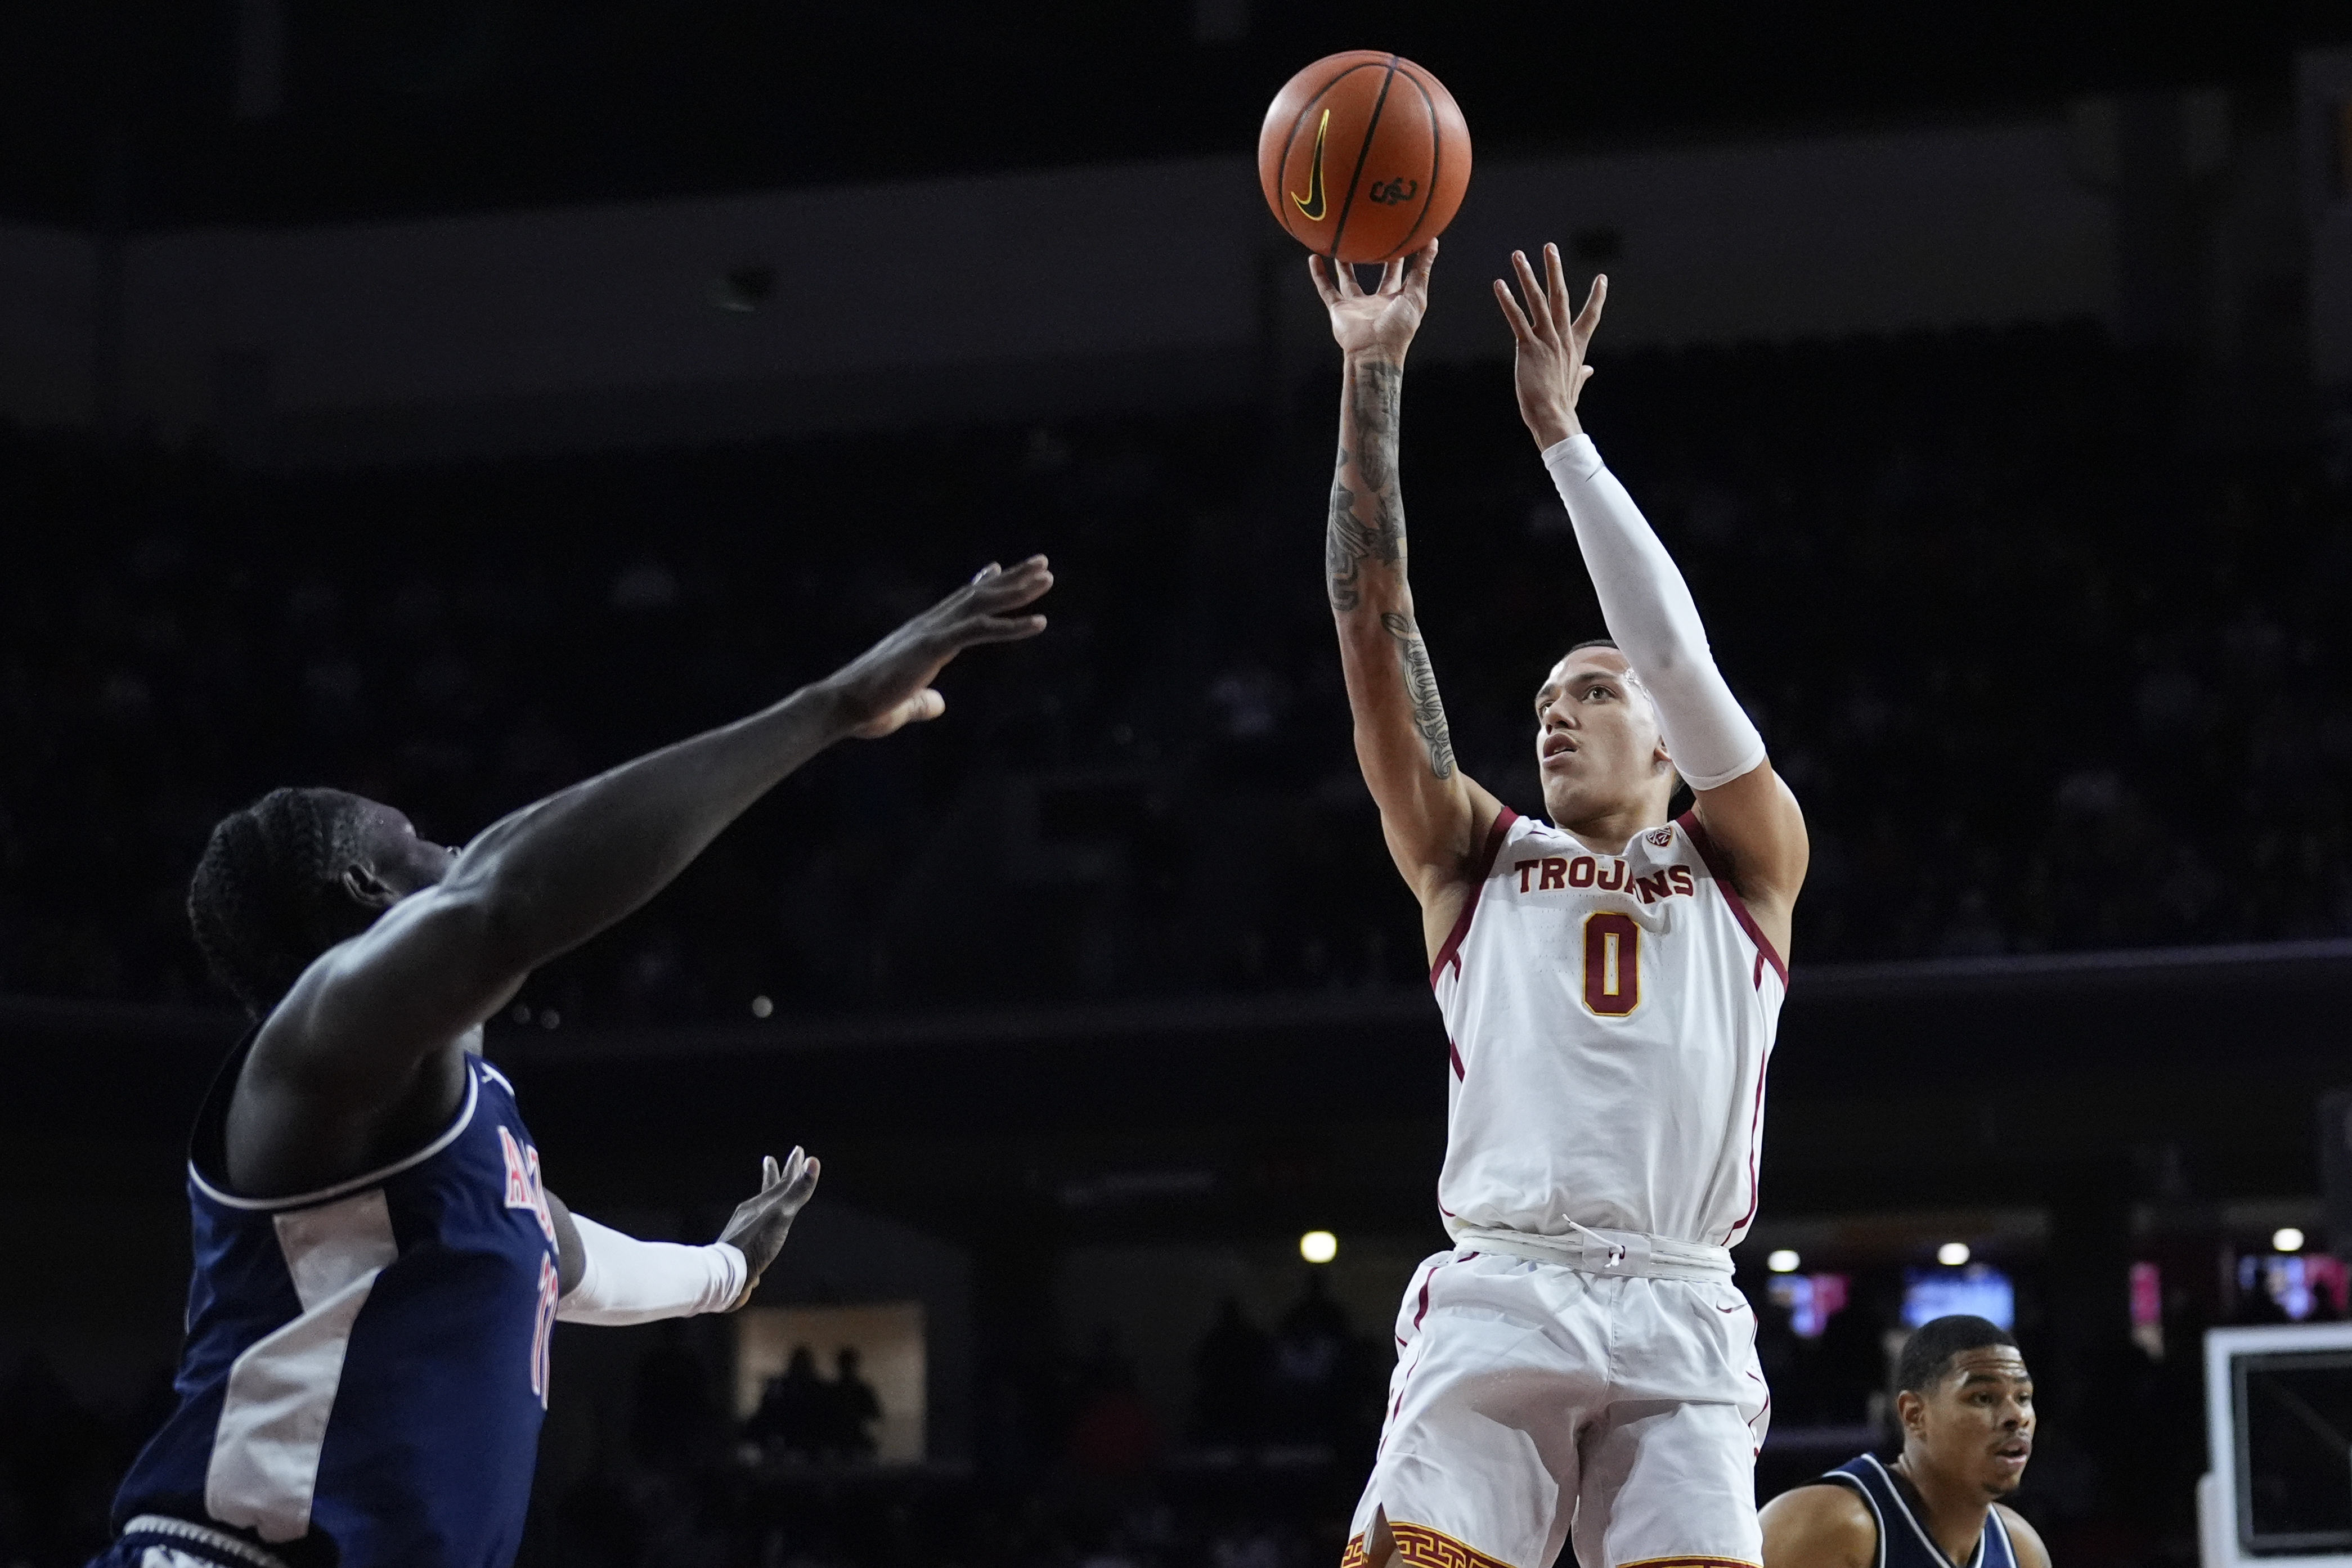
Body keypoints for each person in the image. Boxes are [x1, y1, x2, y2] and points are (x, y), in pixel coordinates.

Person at [91, 559, 1054, 1568]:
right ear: (365, 887)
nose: (455, 845)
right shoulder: (313, 1049)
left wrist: (725, 1271)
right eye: (415, 837)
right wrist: (833, 707)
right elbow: (504, 903)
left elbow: (562, 1257)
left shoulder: (435, 1140)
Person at [1312, 236, 1808, 1568]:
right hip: (1505, 1290)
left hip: (1680, 1299)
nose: (1555, 715)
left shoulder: (1747, 859)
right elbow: (1374, 620)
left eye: (1590, 692)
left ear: (1663, 737)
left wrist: (1560, 438)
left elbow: (1669, 648)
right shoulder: (1474, 857)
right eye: (1540, 702)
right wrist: (1375, 377)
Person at [1759, 1315, 2050, 1568]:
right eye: (1983, 1397)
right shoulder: (1829, 1525)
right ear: (1914, 1415)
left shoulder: (2021, 1550)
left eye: (2023, 1397)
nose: (2016, 1416)